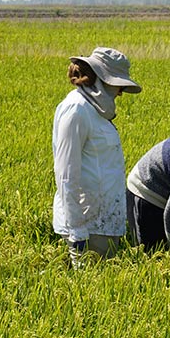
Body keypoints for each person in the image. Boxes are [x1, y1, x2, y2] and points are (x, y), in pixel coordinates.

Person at [52, 47, 142, 267]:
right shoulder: (76, 110)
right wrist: (77, 232)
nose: (120, 92)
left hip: (104, 222)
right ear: (101, 79)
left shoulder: (97, 111)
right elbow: (66, 174)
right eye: (118, 84)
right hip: (86, 225)